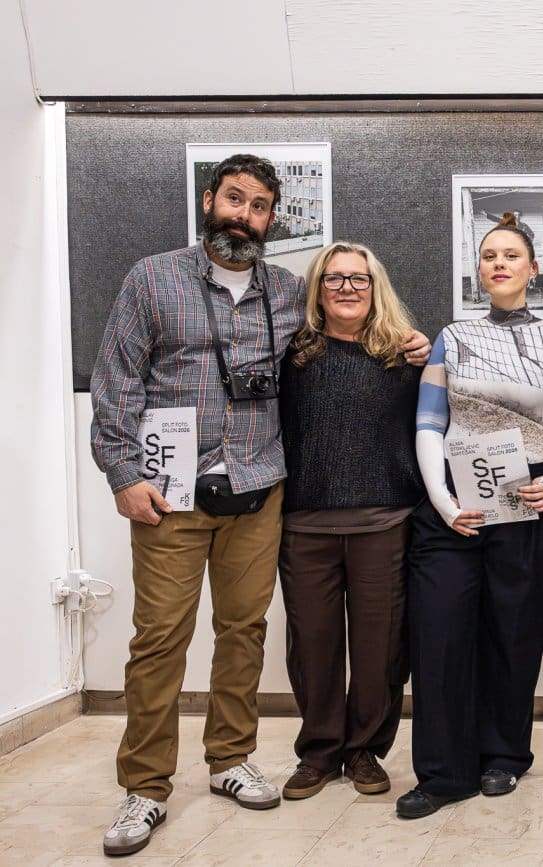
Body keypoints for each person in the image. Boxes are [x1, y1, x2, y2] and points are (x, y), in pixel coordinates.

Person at [91, 154, 428, 857]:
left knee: (243, 631)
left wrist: (412, 342)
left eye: (259, 206)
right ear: (208, 200)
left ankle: (229, 759)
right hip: (172, 491)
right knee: (160, 638)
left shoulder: (286, 292)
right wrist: (123, 472)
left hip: (260, 486)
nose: (243, 216)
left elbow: (354, 331)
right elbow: (117, 379)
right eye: (234, 199)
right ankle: (145, 786)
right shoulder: (153, 278)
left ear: (273, 218)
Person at [397, 214, 543, 819]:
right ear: (477, 271)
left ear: (533, 268)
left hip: (528, 498)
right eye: (488, 256)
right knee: (440, 634)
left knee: (515, 631)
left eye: (511, 255)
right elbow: (429, 422)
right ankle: (442, 773)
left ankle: (504, 755)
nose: (499, 264)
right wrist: (442, 500)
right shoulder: (452, 337)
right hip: (453, 499)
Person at [276, 242, 423, 801]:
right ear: (317, 289)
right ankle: (318, 753)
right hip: (304, 526)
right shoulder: (291, 356)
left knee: (379, 647)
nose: (346, 288)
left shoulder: (404, 357)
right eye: (333, 279)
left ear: (374, 287)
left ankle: (364, 751)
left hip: (383, 524)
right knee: (312, 647)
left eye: (358, 279)